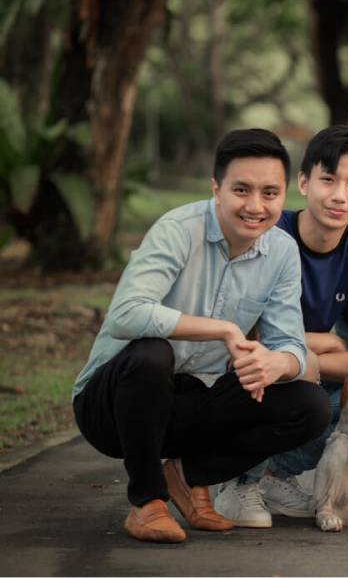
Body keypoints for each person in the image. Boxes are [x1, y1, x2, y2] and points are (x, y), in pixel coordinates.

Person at [72, 129, 332, 543]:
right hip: (114, 405)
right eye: (241, 190)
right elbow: (125, 314)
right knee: (152, 355)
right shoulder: (178, 230)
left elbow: (291, 344)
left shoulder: (282, 251)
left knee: (310, 404)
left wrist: (276, 363)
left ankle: (188, 475)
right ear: (216, 188)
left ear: (285, 195)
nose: (255, 206)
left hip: (191, 402)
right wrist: (224, 329)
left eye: (270, 193)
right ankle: (146, 502)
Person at [213, 126, 348, 527]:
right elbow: (247, 336)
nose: (340, 195)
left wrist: (314, 354)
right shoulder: (270, 233)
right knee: (298, 372)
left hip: (300, 372)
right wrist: (317, 343)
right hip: (239, 368)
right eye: (328, 179)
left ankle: (273, 476)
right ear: (303, 182)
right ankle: (237, 484)